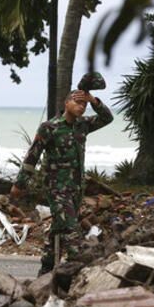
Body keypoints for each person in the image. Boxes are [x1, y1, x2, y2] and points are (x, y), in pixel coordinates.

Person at [10, 72, 113, 275]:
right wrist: (19, 184)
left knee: (59, 227)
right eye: (77, 102)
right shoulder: (50, 127)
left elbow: (107, 118)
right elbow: (32, 157)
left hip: (76, 188)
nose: (81, 107)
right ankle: (78, 273)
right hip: (56, 189)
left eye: (84, 105)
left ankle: (46, 270)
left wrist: (92, 99)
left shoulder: (83, 126)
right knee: (71, 231)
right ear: (66, 104)